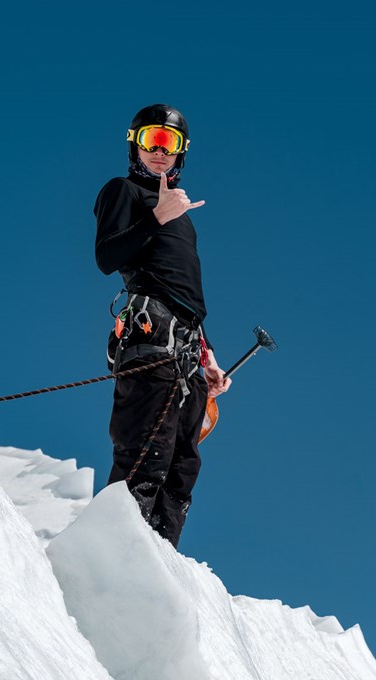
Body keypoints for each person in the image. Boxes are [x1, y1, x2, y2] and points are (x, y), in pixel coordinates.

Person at [94, 103, 230, 548]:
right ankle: (116, 559)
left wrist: (207, 354)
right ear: (135, 144)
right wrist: (156, 216)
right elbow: (106, 258)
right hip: (151, 344)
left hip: (186, 351)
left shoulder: (182, 217)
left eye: (167, 143)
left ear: (180, 152)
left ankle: (156, 565)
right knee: (146, 457)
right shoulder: (124, 191)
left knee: (181, 469)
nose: (158, 151)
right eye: (150, 140)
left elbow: (183, 293)